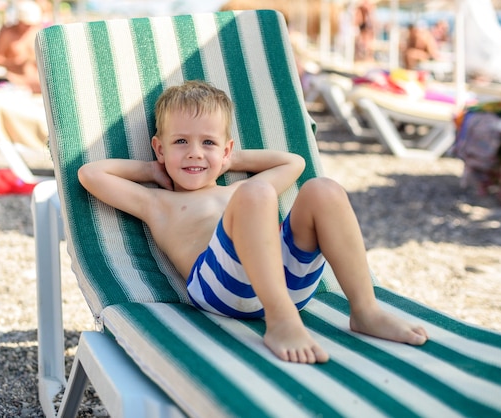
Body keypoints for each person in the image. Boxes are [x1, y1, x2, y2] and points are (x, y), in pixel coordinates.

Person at [78, 80, 428, 364]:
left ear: (227, 151)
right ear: (159, 149)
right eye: (180, 142)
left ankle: (364, 309)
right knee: (257, 193)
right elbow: (90, 174)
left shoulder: (242, 188)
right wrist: (150, 169)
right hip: (221, 291)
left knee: (324, 189)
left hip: (286, 281)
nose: (195, 153)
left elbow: (294, 163)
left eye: (209, 143)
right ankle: (280, 319)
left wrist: (231, 160)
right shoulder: (158, 202)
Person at [0, 1, 42, 93]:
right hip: (15, 79)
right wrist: (15, 62)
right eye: (26, 24)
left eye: (31, 25)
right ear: (19, 20)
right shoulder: (8, 34)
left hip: (35, 81)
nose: (28, 28)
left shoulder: (36, 32)